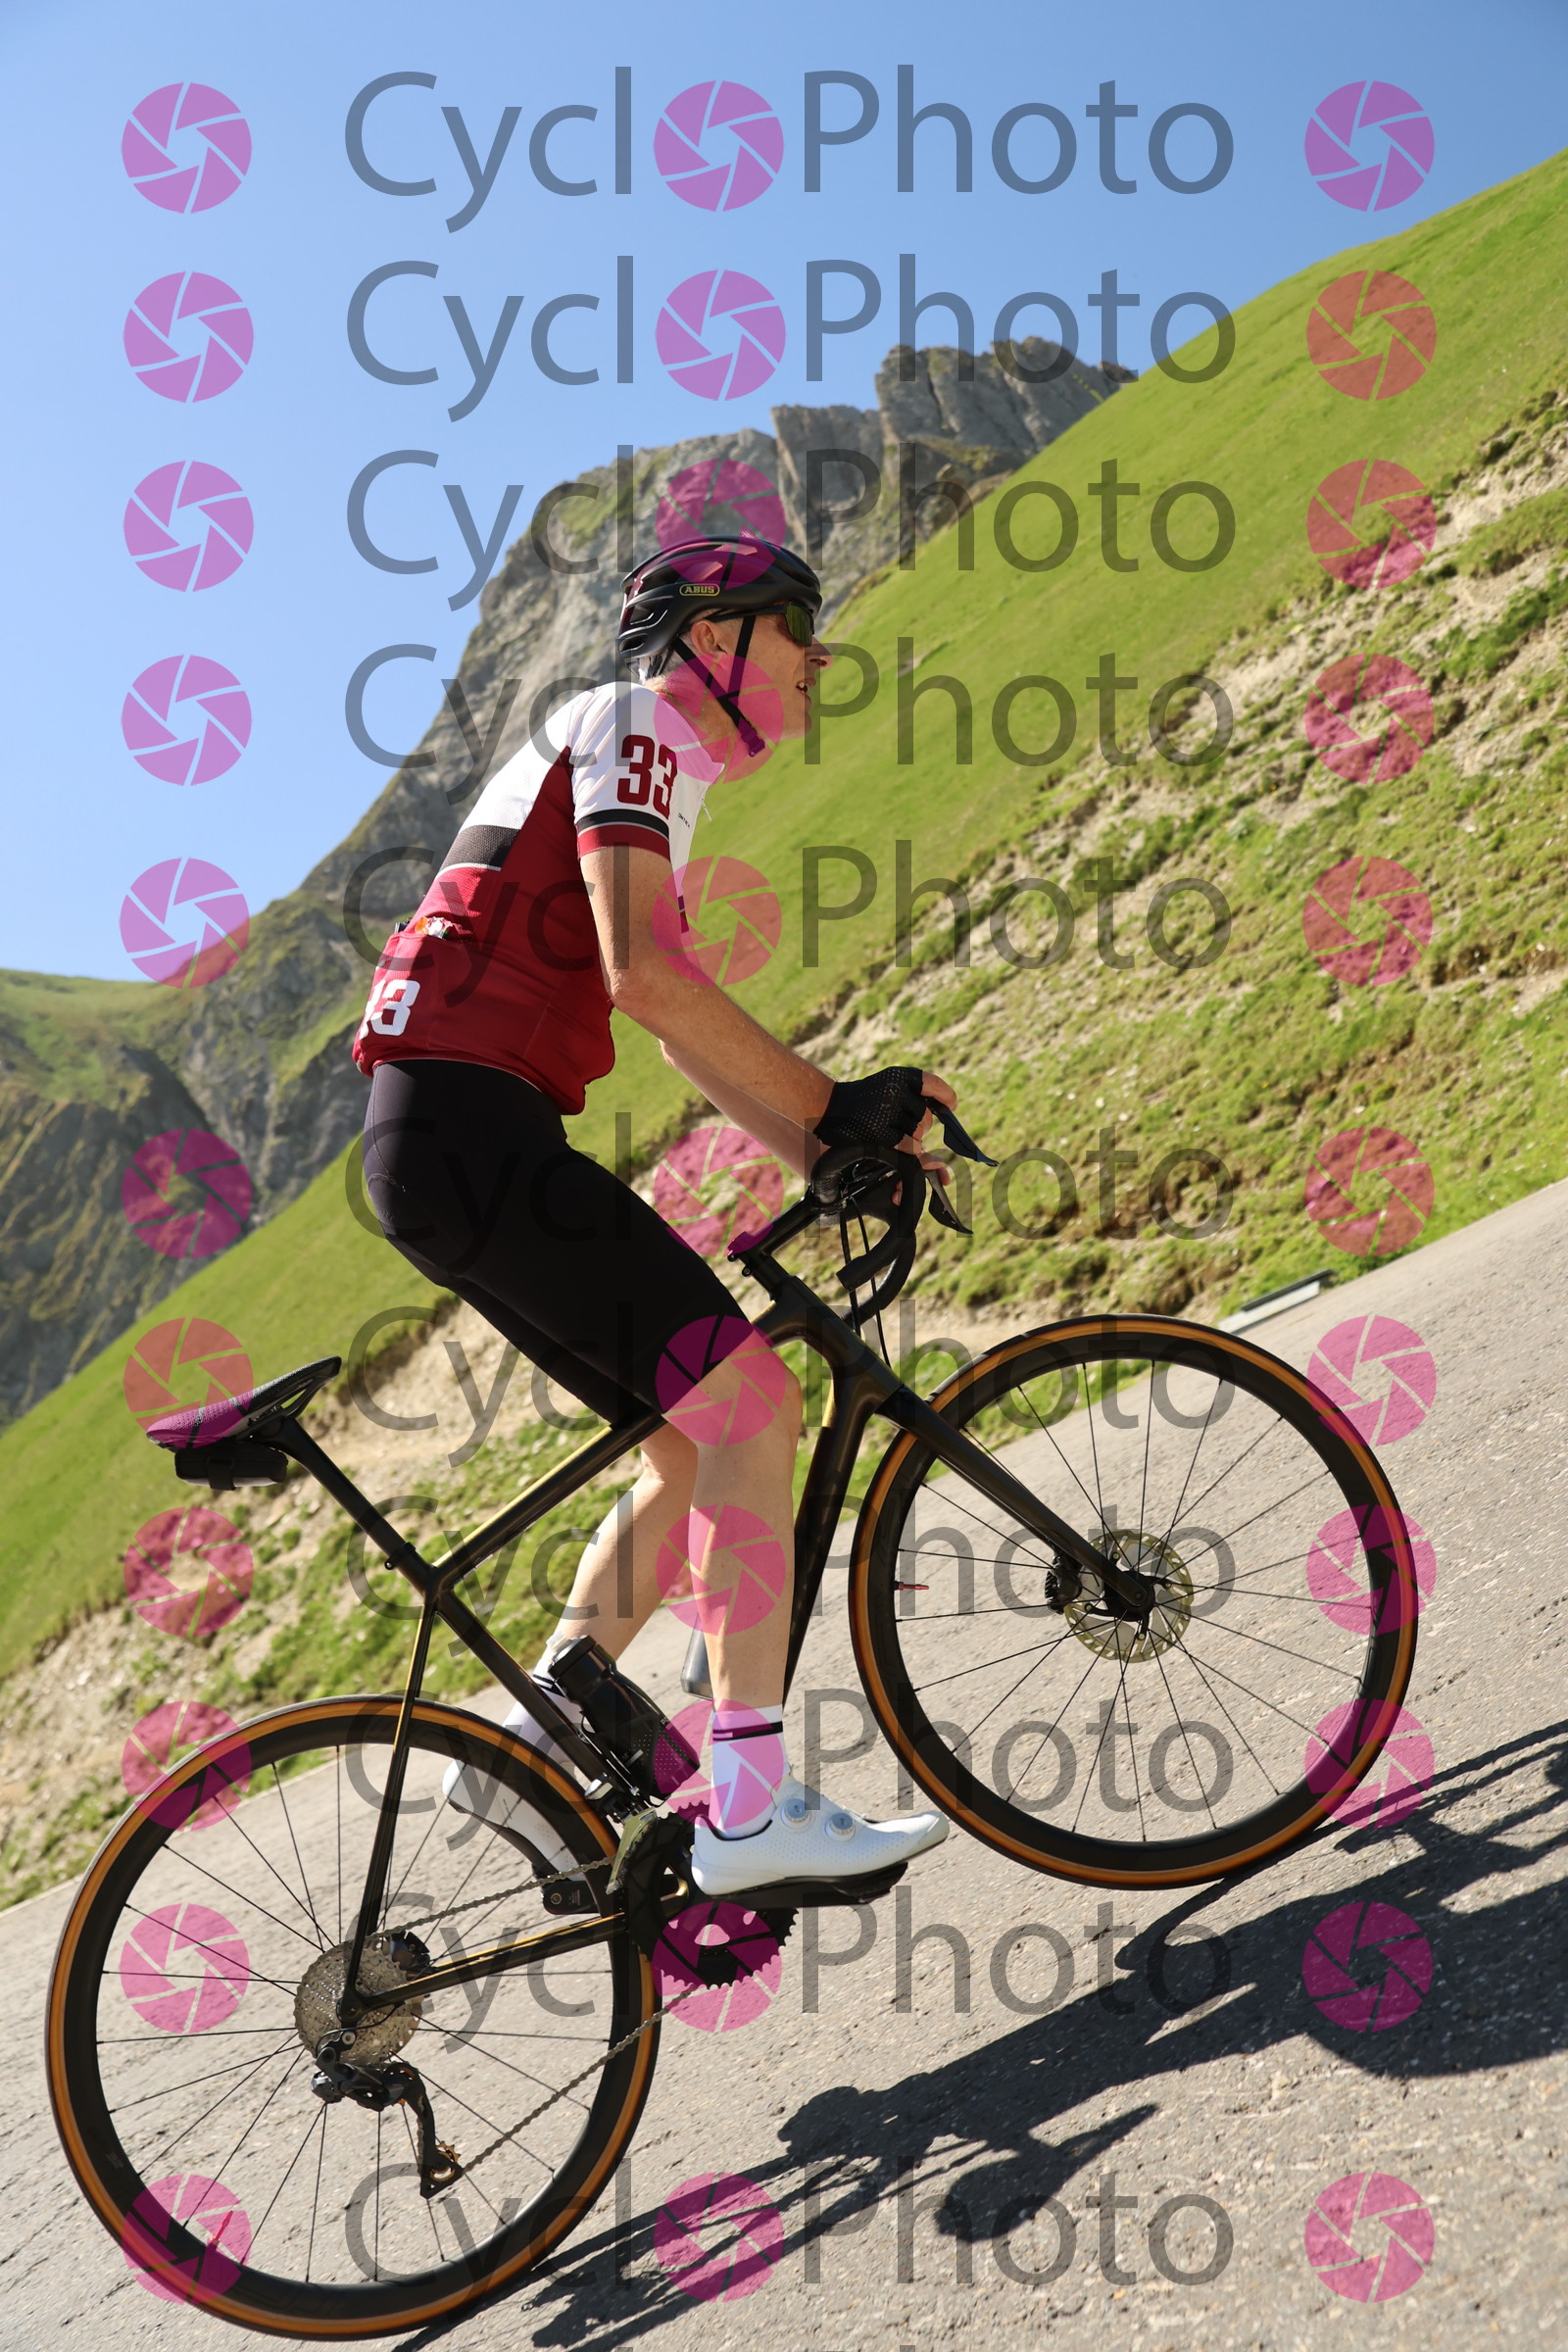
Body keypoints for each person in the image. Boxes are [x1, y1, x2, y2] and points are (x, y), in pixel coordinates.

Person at [354, 534, 955, 1897]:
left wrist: (822, 1148)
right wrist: (839, 1104)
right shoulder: (639, 725)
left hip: (450, 1138)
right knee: (749, 1408)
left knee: (691, 1443)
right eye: (799, 633)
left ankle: (529, 1747)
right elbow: (647, 974)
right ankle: (748, 1805)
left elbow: (671, 1021)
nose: (819, 665)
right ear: (720, 636)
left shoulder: (623, 743)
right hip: (468, 1129)